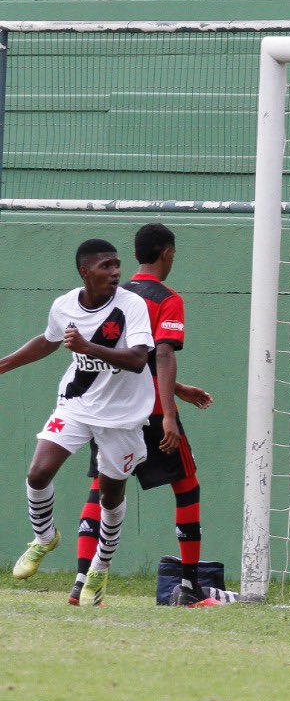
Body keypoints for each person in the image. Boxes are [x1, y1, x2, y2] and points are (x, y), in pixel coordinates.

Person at [68, 224, 217, 607]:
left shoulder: (112, 296)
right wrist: (170, 412)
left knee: (100, 488)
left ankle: (82, 579)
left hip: (110, 410)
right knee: (187, 487)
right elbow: (163, 353)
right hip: (150, 411)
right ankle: (188, 586)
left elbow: (132, 355)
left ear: (134, 256)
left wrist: (180, 388)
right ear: (166, 253)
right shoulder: (167, 299)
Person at [3, 239, 154, 599]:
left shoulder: (131, 305)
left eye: (117, 264)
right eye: (106, 266)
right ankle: (44, 538)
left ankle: (99, 569)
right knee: (38, 472)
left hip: (123, 415)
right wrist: (3, 364)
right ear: (85, 272)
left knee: (110, 495)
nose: (115, 271)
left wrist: (87, 347)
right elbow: (48, 341)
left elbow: (137, 359)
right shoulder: (64, 305)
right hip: (78, 403)